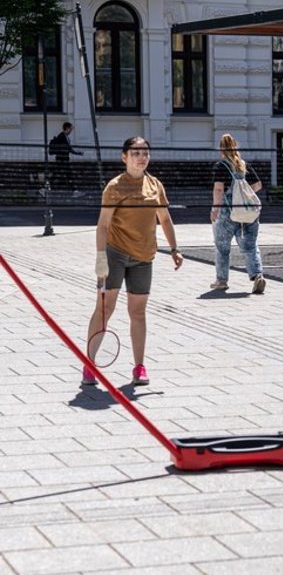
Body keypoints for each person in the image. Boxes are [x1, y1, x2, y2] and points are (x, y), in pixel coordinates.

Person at [83, 136, 183, 387]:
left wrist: (174, 249)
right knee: (105, 310)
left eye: (145, 153)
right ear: (124, 157)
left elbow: (165, 218)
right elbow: (103, 225)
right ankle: (89, 365)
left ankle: (139, 367)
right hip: (114, 254)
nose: (142, 157)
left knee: (137, 312)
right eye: (136, 153)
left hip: (143, 256)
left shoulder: (155, 185)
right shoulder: (115, 186)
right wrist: (100, 258)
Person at [210, 133, 266, 294]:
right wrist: (243, 193)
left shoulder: (221, 165)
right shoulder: (243, 164)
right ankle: (257, 276)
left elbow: (219, 189)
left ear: (221, 148)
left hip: (227, 212)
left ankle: (221, 281)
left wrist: (215, 209)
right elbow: (258, 185)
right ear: (235, 146)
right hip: (247, 213)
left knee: (222, 247)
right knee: (250, 246)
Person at [48, 121, 84, 193]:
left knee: (58, 174)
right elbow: (68, 149)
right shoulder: (61, 136)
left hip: (63, 159)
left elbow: (69, 149)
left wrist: (77, 153)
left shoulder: (66, 137)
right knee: (67, 174)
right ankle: (74, 191)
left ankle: (47, 186)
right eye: (70, 129)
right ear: (67, 128)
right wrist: (78, 153)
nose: (71, 131)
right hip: (61, 159)